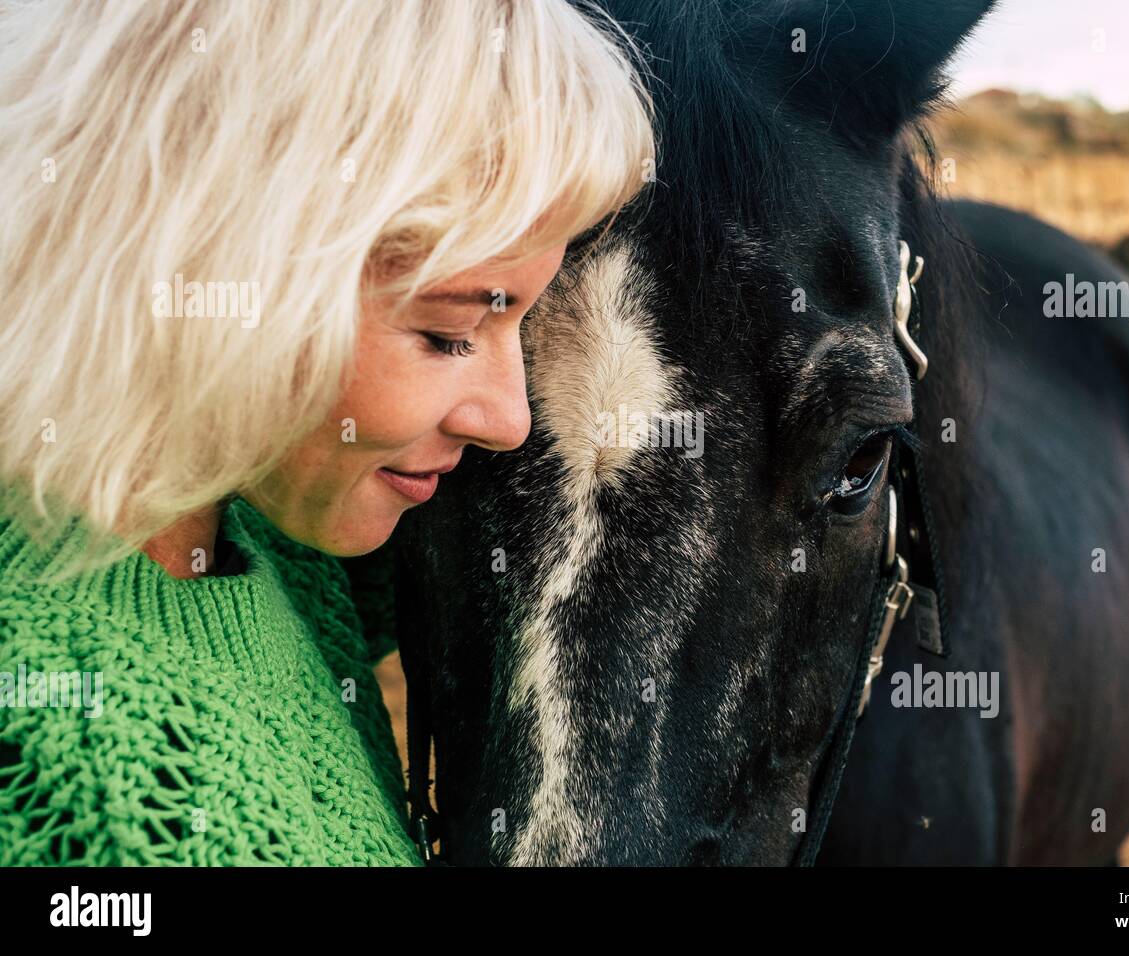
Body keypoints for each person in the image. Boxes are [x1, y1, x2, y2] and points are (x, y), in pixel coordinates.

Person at [0, 0, 654, 865]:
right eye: (448, 334)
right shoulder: (90, 797)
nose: (509, 419)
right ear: (212, 259)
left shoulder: (252, 522)